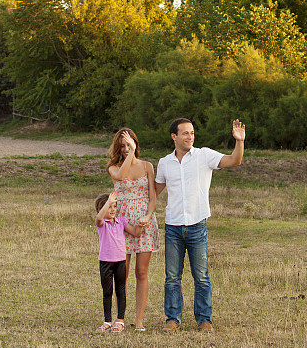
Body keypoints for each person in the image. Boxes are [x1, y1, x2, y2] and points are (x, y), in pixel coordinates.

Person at [154, 117, 246, 332]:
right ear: (174, 137)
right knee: (172, 277)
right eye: (185, 133)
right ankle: (172, 319)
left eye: (192, 132)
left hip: (197, 226)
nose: (190, 136)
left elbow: (235, 161)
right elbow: (154, 192)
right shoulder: (165, 162)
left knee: (202, 276)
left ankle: (204, 319)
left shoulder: (204, 155)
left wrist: (239, 141)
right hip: (173, 227)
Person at [106, 129, 160, 331]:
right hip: (121, 223)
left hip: (144, 223)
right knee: (122, 272)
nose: (126, 149)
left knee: (141, 272)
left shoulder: (147, 166)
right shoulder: (114, 167)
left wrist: (147, 215)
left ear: (135, 144)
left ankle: (139, 320)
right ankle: (119, 318)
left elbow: (153, 197)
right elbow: (120, 177)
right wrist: (130, 155)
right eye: (123, 145)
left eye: (130, 144)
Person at [94, 191, 145, 333]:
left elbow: (135, 232)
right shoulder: (102, 223)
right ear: (101, 208)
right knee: (107, 291)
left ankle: (120, 320)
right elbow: (99, 217)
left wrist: (141, 224)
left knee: (120, 290)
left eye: (114, 206)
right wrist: (108, 201)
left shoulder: (121, 221)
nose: (112, 210)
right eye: (109, 207)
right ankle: (107, 321)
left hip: (120, 261)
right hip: (105, 262)